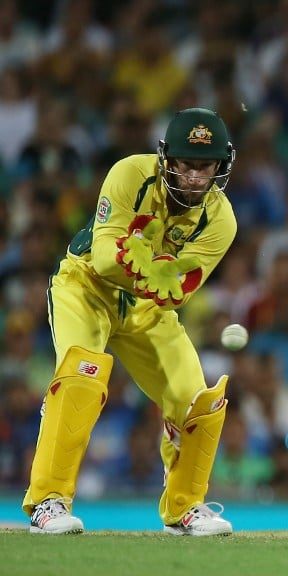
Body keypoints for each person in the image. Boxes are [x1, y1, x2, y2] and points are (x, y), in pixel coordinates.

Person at [23, 108, 238, 536]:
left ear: (221, 166)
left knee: (196, 400)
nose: (196, 178)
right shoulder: (129, 174)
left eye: (206, 167)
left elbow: (181, 290)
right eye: (187, 165)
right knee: (82, 375)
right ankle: (48, 501)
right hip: (86, 287)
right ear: (167, 159)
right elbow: (105, 258)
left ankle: (185, 508)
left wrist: (159, 279)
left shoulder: (221, 221)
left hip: (147, 308)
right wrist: (149, 269)